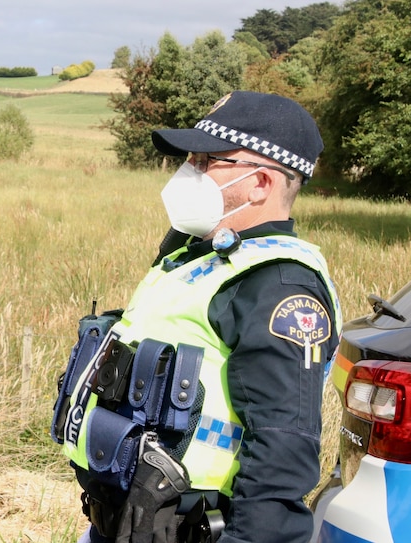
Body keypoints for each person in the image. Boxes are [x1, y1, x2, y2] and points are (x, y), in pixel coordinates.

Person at [60, 91, 341, 543]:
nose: (188, 172)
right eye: (190, 157)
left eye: (207, 160)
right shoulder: (196, 256)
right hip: (122, 524)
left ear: (261, 184)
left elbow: (281, 453)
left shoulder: (280, 287)